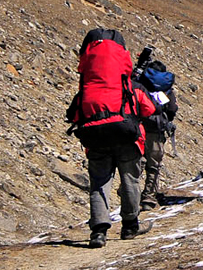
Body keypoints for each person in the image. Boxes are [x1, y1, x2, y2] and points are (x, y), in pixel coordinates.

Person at [65, 28, 157, 248]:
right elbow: (149, 109)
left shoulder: (87, 88)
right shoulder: (129, 86)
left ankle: (98, 231)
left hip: (96, 140)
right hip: (127, 137)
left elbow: (73, 115)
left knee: (99, 183)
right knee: (130, 180)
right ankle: (130, 225)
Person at [132, 49, 178, 211]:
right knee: (154, 165)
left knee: (136, 161)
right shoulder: (166, 89)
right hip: (157, 130)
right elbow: (172, 109)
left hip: (138, 126)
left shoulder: (139, 83)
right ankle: (148, 198)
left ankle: (131, 193)